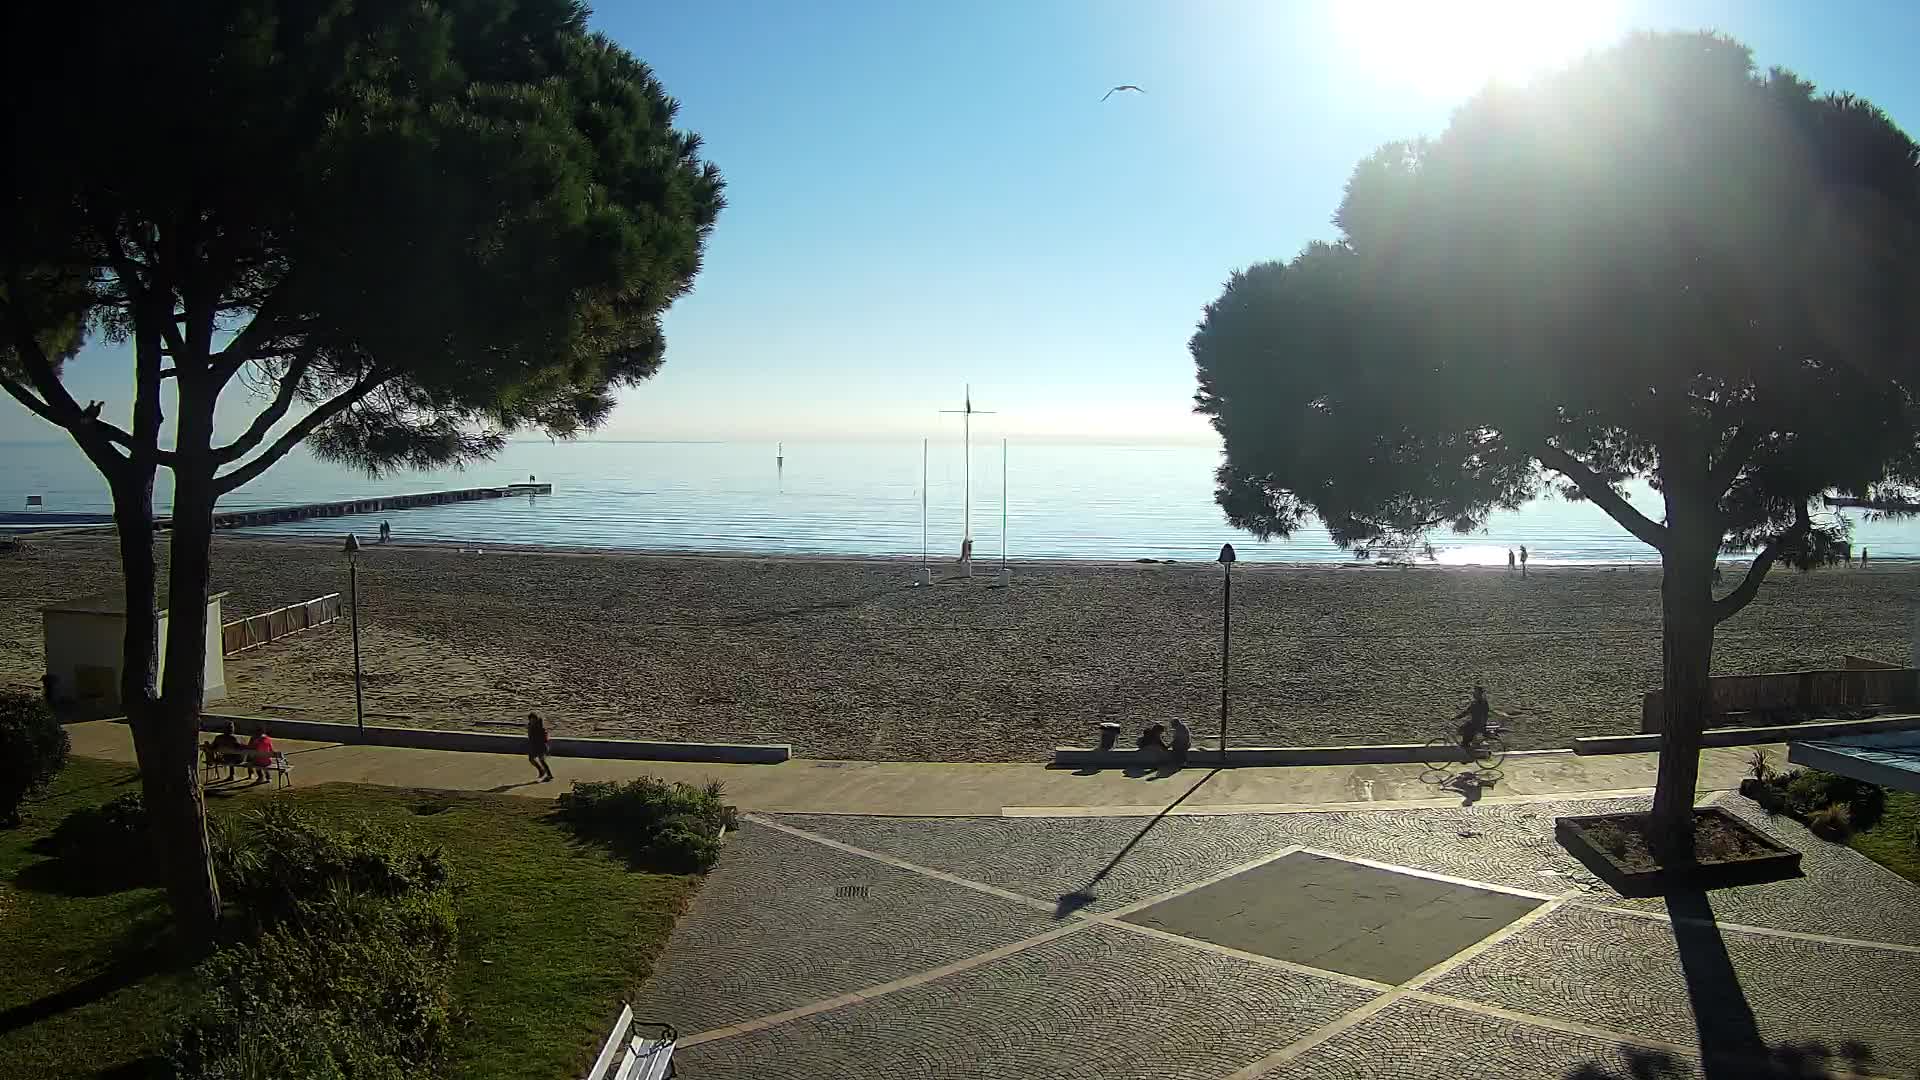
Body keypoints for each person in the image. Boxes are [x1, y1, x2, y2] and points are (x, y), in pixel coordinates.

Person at [1453, 685, 1496, 750]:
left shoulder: (1479, 702)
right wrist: (1457, 717)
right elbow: (1468, 711)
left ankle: (1466, 745)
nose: (1473, 693)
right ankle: (1468, 743)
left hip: (1477, 723)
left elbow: (1468, 712)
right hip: (1478, 722)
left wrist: (1456, 717)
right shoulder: (1479, 702)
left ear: (1479, 693)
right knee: (1464, 728)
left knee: (1465, 728)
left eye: (1475, 692)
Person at [527, 711, 553, 782]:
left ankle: (549, 775)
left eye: (533, 720)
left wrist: (543, 742)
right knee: (531, 759)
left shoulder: (540, 727)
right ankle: (541, 770)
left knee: (542, 760)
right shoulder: (530, 725)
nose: (532, 721)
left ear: (536, 719)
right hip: (534, 746)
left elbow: (545, 737)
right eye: (530, 720)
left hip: (541, 746)